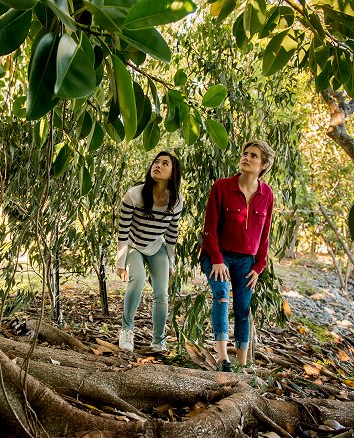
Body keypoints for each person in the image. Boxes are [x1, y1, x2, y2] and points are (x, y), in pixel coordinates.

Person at [199, 139, 275, 371]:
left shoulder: (267, 194)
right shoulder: (221, 187)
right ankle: (223, 360)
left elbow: (265, 235)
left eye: (254, 156)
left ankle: (241, 365)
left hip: (247, 261)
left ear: (263, 165)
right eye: (245, 153)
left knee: (243, 308)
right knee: (222, 295)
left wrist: (258, 267)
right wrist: (218, 260)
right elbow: (209, 228)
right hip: (217, 255)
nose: (247, 158)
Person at [116, 151, 183, 352]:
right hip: (135, 245)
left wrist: (171, 263)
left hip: (156, 246)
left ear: (172, 174)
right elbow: (123, 230)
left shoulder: (176, 201)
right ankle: (126, 331)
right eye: (156, 162)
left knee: (162, 293)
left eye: (165, 164)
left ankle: (158, 340)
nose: (158, 165)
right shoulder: (134, 194)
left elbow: (172, 235)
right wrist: (120, 263)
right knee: (137, 281)